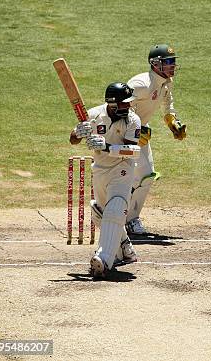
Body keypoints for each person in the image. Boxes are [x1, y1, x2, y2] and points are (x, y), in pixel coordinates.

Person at [70, 82, 141, 279]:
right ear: (112, 103)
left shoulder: (133, 120)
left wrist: (107, 146)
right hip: (100, 170)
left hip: (122, 170)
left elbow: (134, 151)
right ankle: (124, 248)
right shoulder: (93, 115)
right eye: (124, 104)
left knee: (116, 208)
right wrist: (78, 133)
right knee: (100, 212)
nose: (128, 107)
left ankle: (104, 259)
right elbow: (72, 139)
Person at [124, 44, 187, 235]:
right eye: (168, 62)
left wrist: (173, 124)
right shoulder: (140, 84)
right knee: (127, 176)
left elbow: (168, 106)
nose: (172, 66)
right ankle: (114, 213)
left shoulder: (166, 83)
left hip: (140, 134)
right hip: (123, 134)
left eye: (173, 62)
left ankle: (130, 220)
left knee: (147, 176)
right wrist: (134, 130)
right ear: (155, 64)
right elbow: (121, 108)